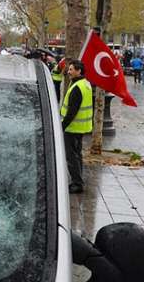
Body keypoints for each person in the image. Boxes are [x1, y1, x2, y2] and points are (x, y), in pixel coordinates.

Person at [61, 60, 93, 194]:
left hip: (72, 128)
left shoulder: (77, 87)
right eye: (68, 70)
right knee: (77, 155)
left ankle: (77, 183)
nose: (69, 72)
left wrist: (61, 126)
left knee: (71, 156)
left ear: (79, 71)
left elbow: (72, 112)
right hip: (81, 127)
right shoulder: (85, 84)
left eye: (71, 69)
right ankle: (78, 181)